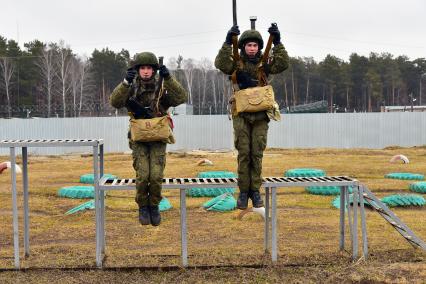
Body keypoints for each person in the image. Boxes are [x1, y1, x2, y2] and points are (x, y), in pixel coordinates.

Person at [214, 23, 289, 209]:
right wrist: (226, 41)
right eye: (248, 45)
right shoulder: (236, 63)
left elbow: (283, 63)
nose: (252, 48)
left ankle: (255, 191)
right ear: (242, 47)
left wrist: (278, 42)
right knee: (244, 153)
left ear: (259, 48)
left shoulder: (264, 64)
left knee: (257, 153)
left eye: (255, 45)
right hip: (241, 113)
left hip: (261, 115)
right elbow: (220, 63)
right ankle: (243, 192)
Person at [110, 52, 187, 226]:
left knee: (157, 175)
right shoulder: (132, 86)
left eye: (149, 68)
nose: (146, 71)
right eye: (142, 68)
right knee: (143, 175)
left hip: (158, 137)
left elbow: (181, 97)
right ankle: (142, 206)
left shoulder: (161, 86)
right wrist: (125, 83)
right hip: (139, 138)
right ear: (138, 70)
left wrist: (168, 77)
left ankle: (154, 206)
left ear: (154, 70)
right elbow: (115, 102)